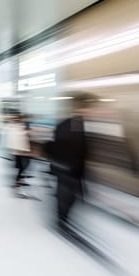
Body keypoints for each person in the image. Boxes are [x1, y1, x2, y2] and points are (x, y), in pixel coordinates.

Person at [46, 93, 94, 233]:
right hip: (65, 167)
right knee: (65, 194)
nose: (89, 111)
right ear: (80, 108)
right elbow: (57, 145)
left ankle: (63, 218)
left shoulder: (77, 124)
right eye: (87, 108)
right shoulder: (68, 125)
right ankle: (61, 220)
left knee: (70, 195)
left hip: (72, 168)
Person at [4, 115, 32, 187]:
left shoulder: (19, 127)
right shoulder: (17, 127)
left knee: (22, 166)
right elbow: (18, 139)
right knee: (24, 165)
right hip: (20, 151)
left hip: (20, 151)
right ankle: (17, 181)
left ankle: (19, 180)